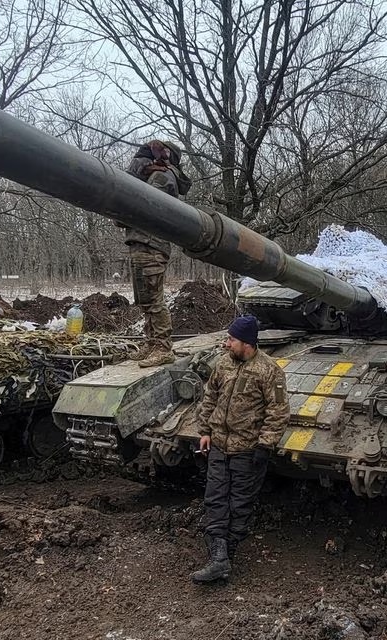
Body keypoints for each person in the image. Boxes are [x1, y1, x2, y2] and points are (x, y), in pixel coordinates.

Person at [191, 315, 289, 584]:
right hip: (219, 445)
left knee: (239, 504)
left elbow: (278, 410)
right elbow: (210, 396)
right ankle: (219, 557)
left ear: (246, 343)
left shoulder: (269, 370)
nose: (226, 344)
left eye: (231, 339)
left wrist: (265, 445)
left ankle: (225, 555)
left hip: (247, 449)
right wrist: (204, 431)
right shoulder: (223, 363)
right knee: (215, 499)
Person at [123, 140, 191, 368]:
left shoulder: (162, 177)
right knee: (145, 300)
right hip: (142, 242)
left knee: (153, 300)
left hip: (151, 244)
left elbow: (145, 206)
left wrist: (123, 212)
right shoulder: (154, 175)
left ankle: (162, 347)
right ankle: (152, 343)